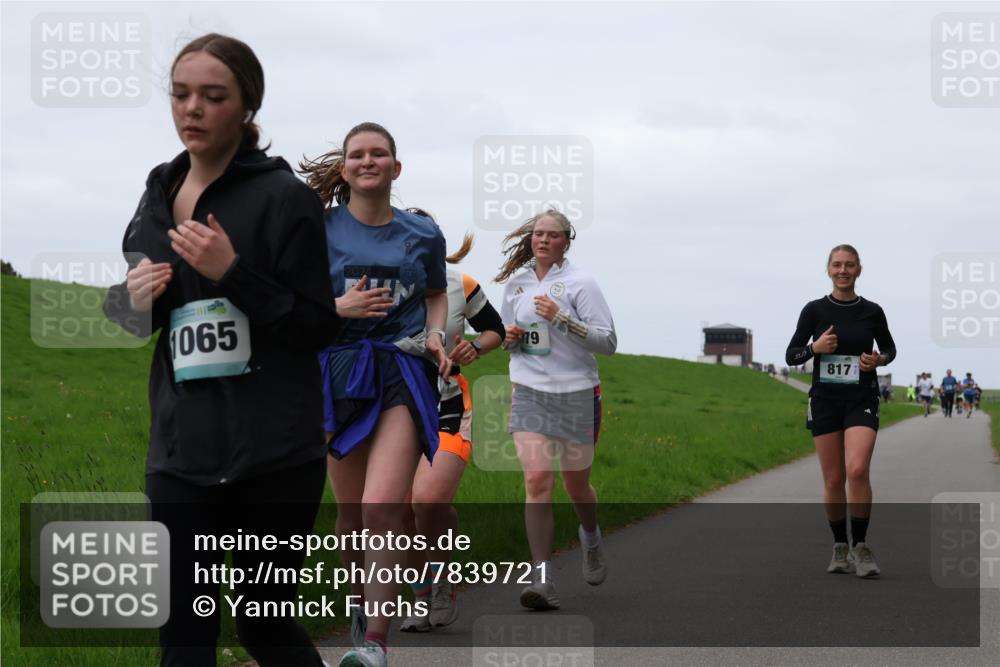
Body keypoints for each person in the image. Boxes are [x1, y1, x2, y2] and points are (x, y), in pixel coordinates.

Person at [102, 34, 339, 666]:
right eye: (180, 94)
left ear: (247, 106)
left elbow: (318, 325)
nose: (192, 109)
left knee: (263, 628)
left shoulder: (286, 199)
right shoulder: (156, 192)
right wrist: (129, 301)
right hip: (181, 451)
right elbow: (138, 319)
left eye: (213, 96)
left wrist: (233, 272)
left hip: (275, 454)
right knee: (182, 635)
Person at [300, 123, 450, 667]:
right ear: (344, 169)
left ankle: (375, 645)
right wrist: (336, 308)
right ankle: (360, 610)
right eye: (357, 155)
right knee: (349, 516)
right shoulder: (318, 229)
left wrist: (436, 334)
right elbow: (291, 299)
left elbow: (436, 293)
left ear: (395, 167)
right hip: (339, 372)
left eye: (379, 154)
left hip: (400, 370)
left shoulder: (423, 233)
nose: (368, 161)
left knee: (380, 507)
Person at [496, 209, 617, 610]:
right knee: (537, 481)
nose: (544, 240)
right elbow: (507, 337)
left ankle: (591, 537)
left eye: (552, 235)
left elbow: (608, 342)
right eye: (538, 234)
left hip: (577, 393)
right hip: (529, 390)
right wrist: (510, 338)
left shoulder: (582, 283)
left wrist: (562, 319)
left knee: (576, 486)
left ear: (566, 241)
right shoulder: (517, 284)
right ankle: (542, 579)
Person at [396, 210, 505, 633]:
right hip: (395, 404)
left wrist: (476, 348)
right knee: (401, 511)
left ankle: (443, 584)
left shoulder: (460, 283)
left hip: (448, 403)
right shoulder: (383, 279)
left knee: (427, 500)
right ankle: (422, 595)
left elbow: (494, 329)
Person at [785, 244, 896, 579]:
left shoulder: (872, 311)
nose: (843, 270)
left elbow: (890, 349)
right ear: (828, 269)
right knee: (834, 479)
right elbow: (792, 354)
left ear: (858, 269)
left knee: (857, 469)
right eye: (837, 265)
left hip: (862, 397)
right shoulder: (814, 310)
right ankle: (839, 546)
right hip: (825, 401)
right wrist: (814, 348)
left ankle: (860, 545)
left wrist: (879, 360)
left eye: (849, 265)